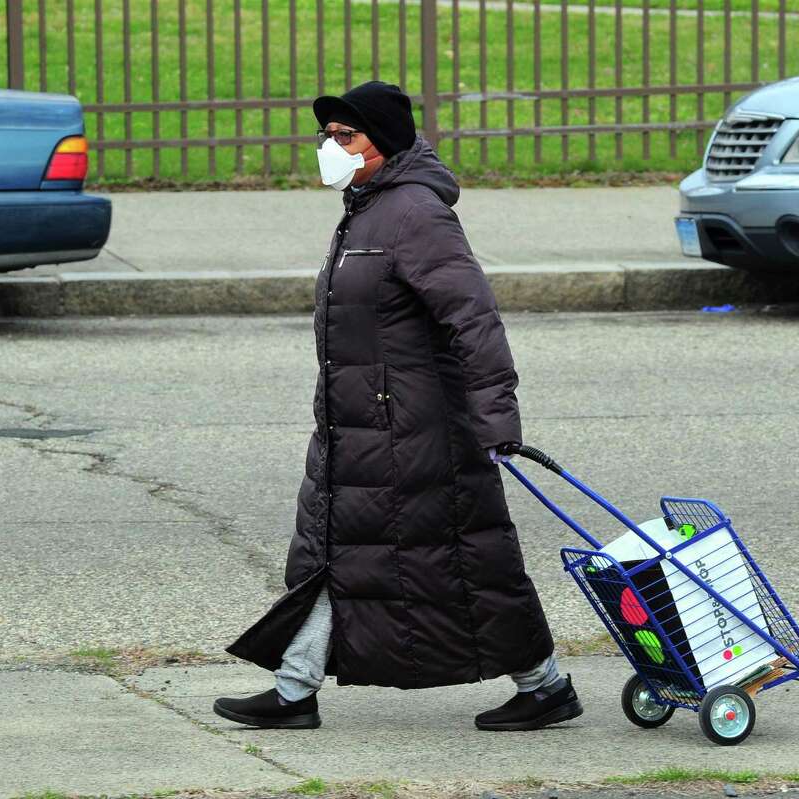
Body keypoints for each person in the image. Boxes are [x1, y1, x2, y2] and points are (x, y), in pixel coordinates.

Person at [214, 81, 580, 732]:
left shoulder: (415, 213)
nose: (332, 147)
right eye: (327, 136)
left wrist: (497, 419)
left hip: (415, 431)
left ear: (381, 143)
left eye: (344, 136)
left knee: (466, 560)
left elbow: (474, 319)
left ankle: (544, 683)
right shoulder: (368, 206)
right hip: (361, 426)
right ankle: (296, 688)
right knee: (339, 551)